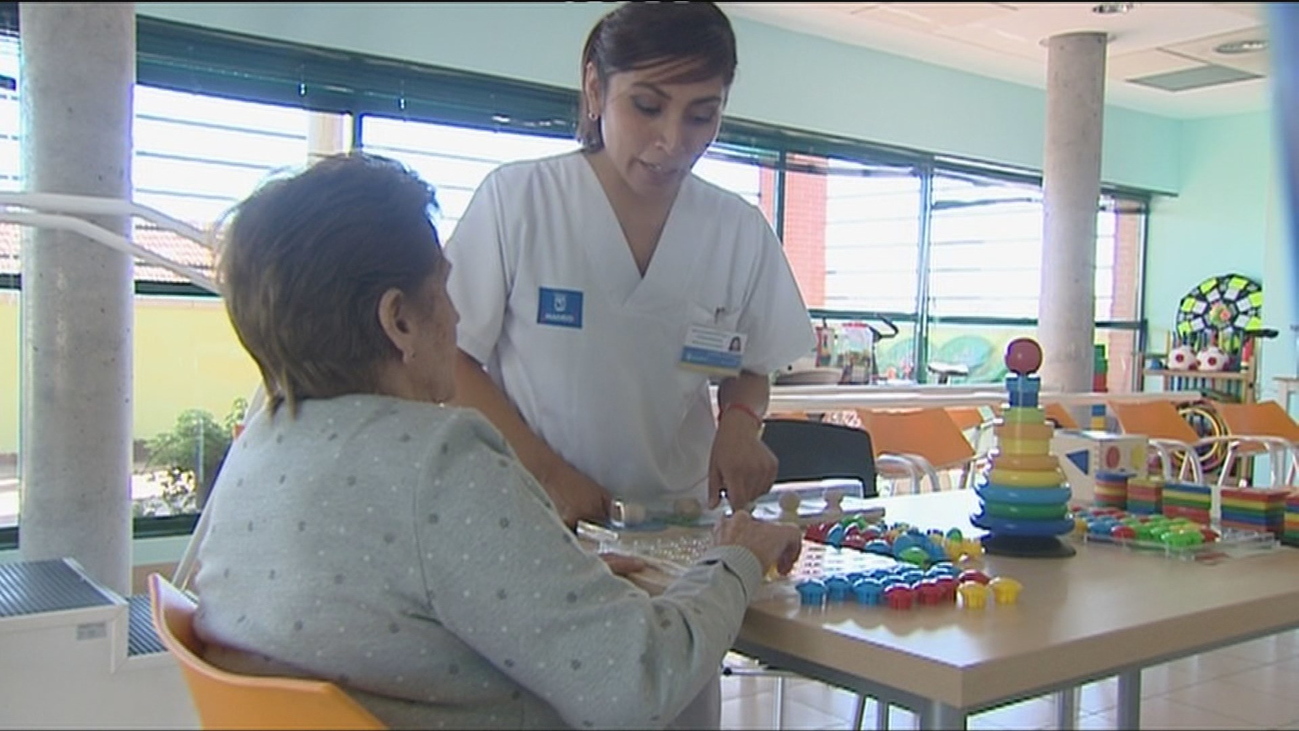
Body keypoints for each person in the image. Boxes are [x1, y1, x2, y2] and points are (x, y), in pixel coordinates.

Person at [190, 152, 803, 730]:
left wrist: (551, 572)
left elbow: (391, 601)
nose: (459, 318)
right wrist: (738, 556)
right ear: (398, 319)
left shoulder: (260, 445)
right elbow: (638, 682)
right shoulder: (439, 459)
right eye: (446, 288)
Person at [446, 1, 816, 531]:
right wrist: (549, 475)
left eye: (701, 116)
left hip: (676, 521)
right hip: (532, 515)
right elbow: (453, 361)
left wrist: (738, 424)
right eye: (646, 106)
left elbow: (753, 365)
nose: (672, 141)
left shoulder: (735, 229)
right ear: (596, 90)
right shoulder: (521, 199)